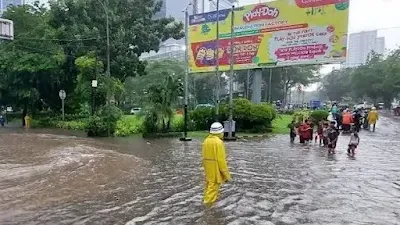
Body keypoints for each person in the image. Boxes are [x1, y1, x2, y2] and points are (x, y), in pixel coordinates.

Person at [202, 122, 231, 206]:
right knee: (213, 190)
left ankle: (206, 203)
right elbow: (221, 161)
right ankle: (208, 208)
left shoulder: (206, 140)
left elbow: (203, 156)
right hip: (215, 170)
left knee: (208, 187)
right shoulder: (218, 142)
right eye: (222, 132)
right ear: (219, 133)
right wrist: (226, 175)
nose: (223, 134)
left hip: (208, 169)